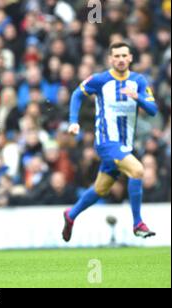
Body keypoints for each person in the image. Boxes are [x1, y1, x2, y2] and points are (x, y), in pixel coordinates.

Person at [62, 42, 158, 242]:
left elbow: (153, 109)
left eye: (124, 55)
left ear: (131, 58)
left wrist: (137, 97)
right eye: (117, 56)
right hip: (106, 142)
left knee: (101, 188)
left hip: (125, 144)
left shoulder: (139, 81)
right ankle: (138, 223)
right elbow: (77, 94)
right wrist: (73, 121)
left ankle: (71, 215)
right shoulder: (101, 79)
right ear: (110, 59)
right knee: (138, 170)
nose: (121, 59)